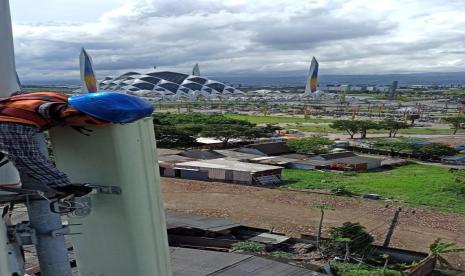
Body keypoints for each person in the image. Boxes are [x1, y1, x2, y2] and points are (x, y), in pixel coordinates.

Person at [0, 91, 153, 196]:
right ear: (73, 113)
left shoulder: (55, 98)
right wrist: (63, 185)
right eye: (92, 123)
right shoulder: (17, 124)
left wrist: (69, 122)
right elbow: (27, 158)